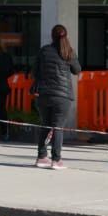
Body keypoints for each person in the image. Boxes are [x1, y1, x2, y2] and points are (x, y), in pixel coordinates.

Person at [34, 24, 80, 169]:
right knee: (57, 127)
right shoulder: (68, 51)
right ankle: (56, 159)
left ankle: (41, 157)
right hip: (62, 95)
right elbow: (77, 70)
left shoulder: (44, 51)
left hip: (44, 94)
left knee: (45, 124)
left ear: (52, 36)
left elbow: (34, 71)